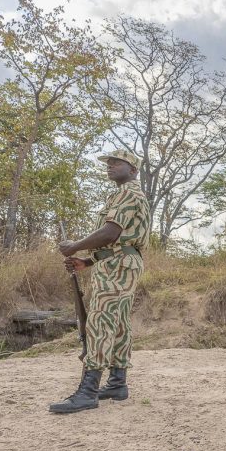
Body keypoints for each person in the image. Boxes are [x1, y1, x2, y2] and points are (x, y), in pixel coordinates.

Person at [50, 149, 150, 413]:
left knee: (99, 320)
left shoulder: (128, 192)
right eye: (109, 163)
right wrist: (88, 261)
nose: (110, 166)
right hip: (118, 262)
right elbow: (118, 241)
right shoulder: (123, 193)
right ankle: (117, 382)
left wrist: (74, 247)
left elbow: (110, 232)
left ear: (133, 169)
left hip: (118, 265)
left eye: (117, 163)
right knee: (117, 322)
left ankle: (88, 391)